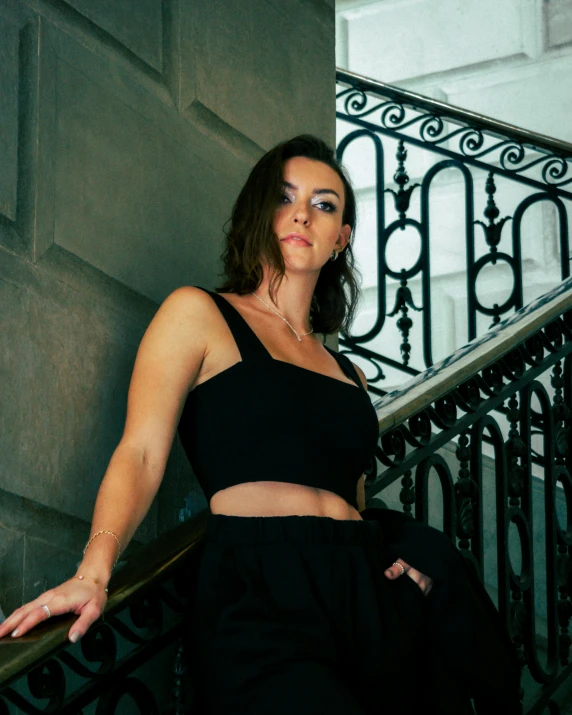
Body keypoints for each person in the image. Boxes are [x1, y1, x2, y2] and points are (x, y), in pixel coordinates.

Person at [0, 135, 521, 713]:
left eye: (325, 204)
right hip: (259, 588)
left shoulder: (348, 373)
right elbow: (142, 452)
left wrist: (404, 564)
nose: (302, 213)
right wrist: (94, 573)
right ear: (259, 212)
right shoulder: (199, 314)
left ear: (341, 238)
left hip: (369, 589)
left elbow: (349, 493)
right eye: (285, 196)